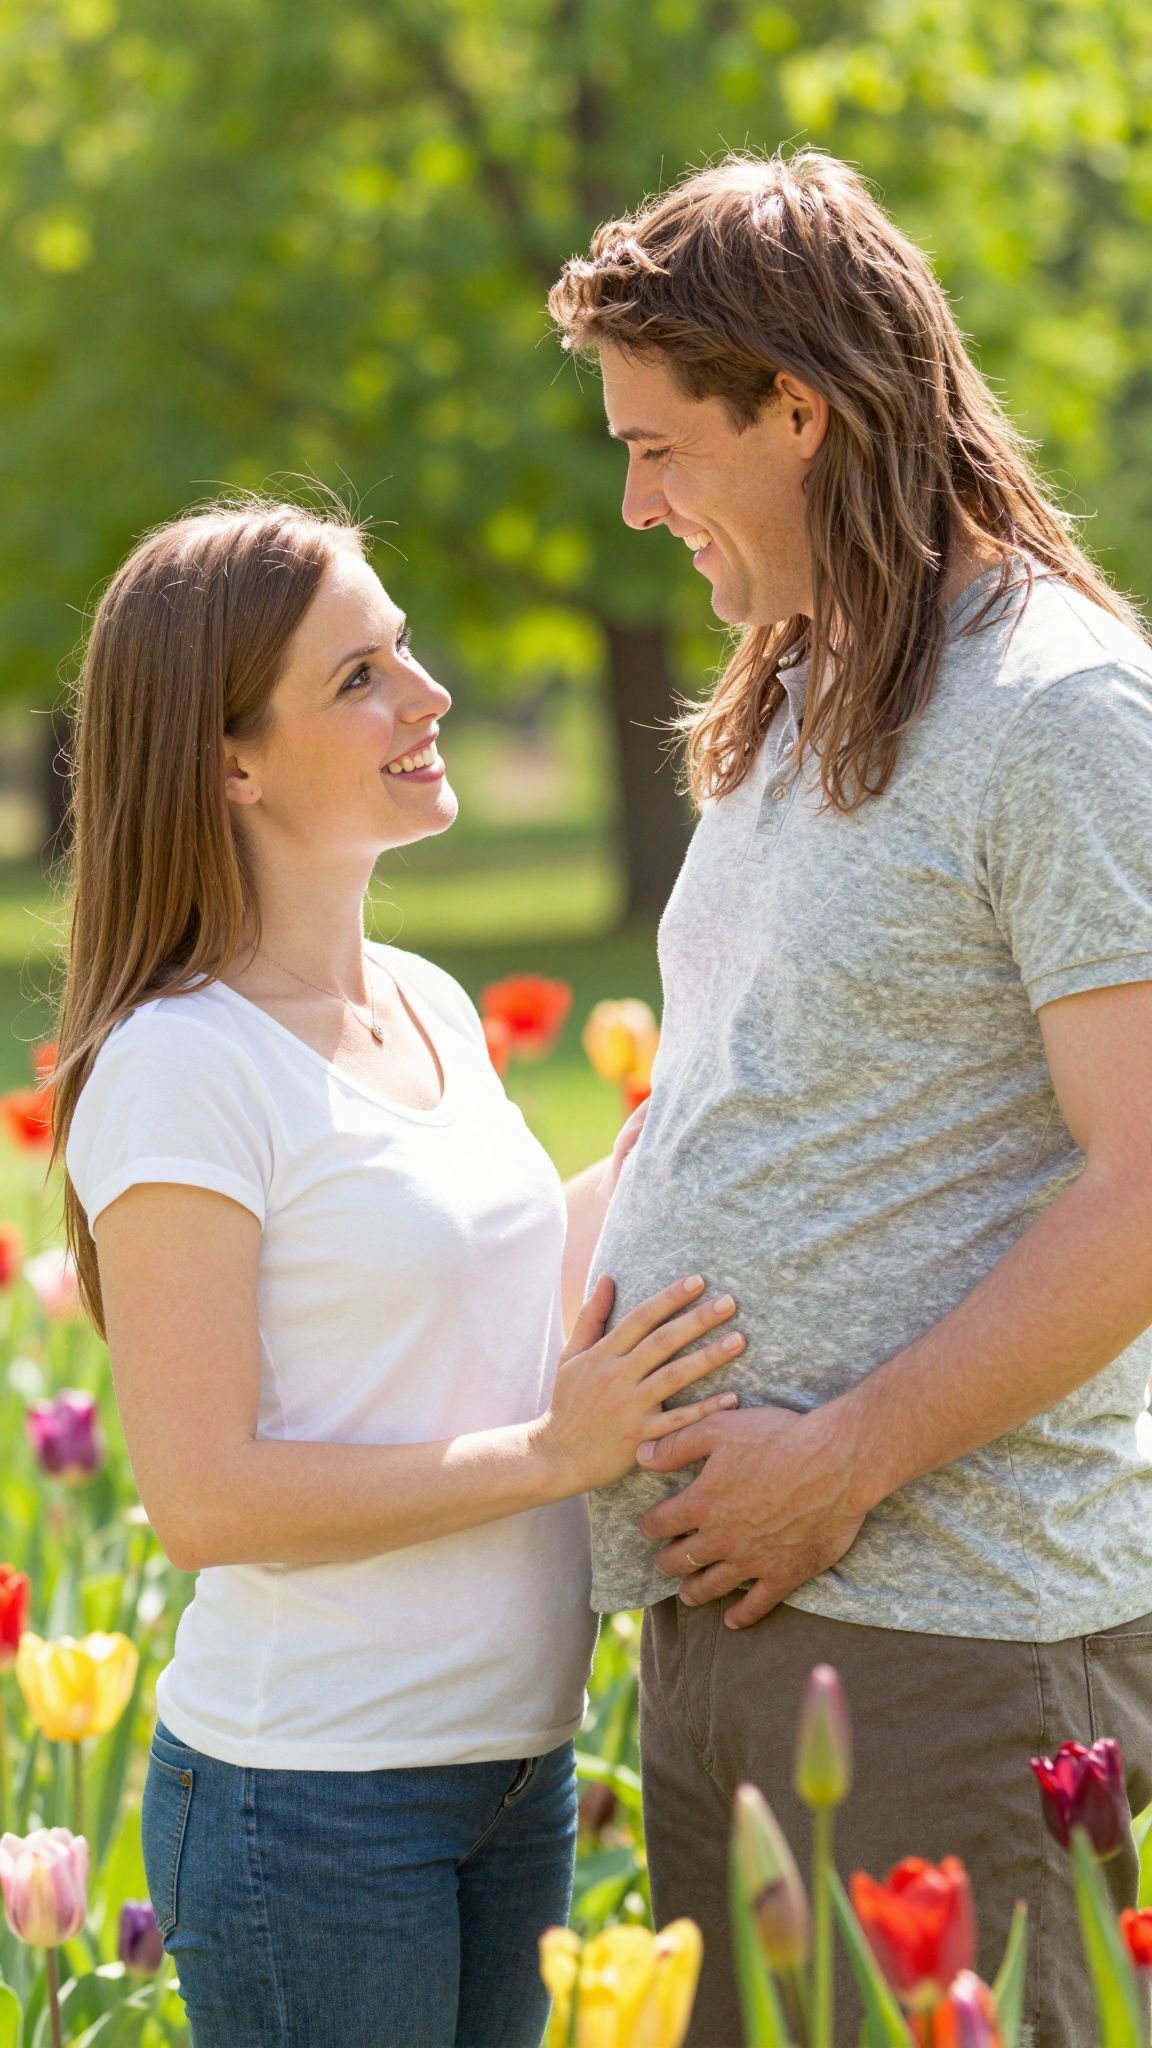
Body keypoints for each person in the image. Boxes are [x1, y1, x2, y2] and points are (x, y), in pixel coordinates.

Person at [548, 150, 1152, 2047]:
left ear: (798, 409)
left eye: (663, 448)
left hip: (956, 1644)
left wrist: (848, 1456)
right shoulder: (802, 686)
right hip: (741, 1615)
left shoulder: (1053, 712)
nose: (637, 505)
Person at [49, 497, 746, 2048]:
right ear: (229, 761)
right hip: (312, 1803)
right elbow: (205, 1497)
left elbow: (481, 1283)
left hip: (513, 1771)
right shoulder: (182, 1067)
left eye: (405, 650)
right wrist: (555, 1454)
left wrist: (684, 1136)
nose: (427, 697)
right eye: (360, 676)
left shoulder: (426, 1003)